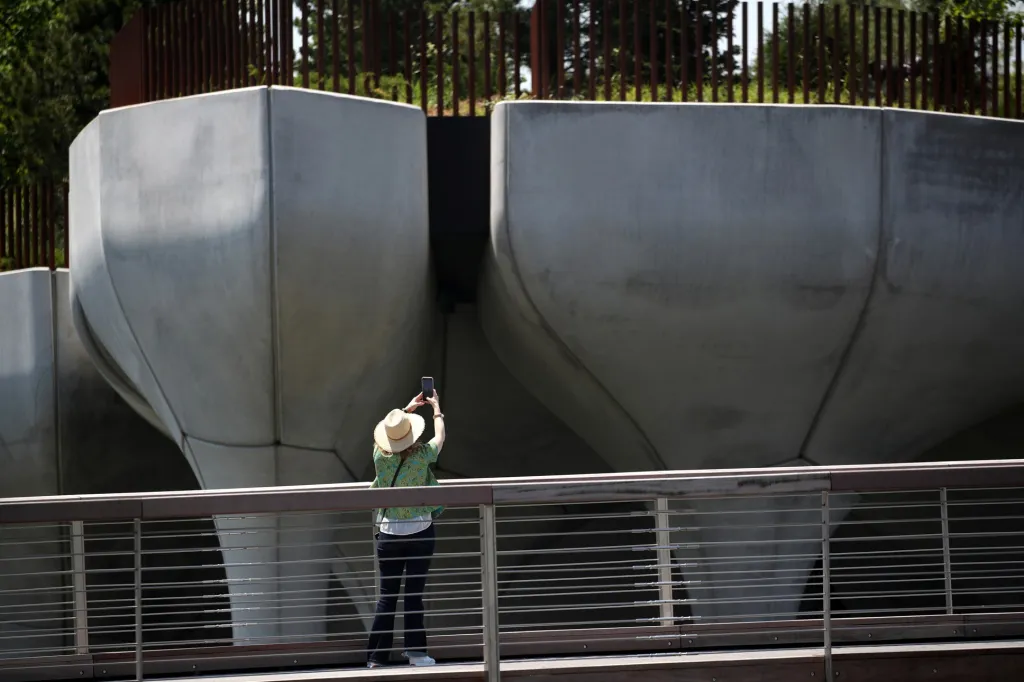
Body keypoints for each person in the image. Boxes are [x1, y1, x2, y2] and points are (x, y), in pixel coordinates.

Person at [365, 389, 446, 668]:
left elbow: (389, 433)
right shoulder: (422, 454)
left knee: (387, 598)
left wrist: (405, 410)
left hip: (388, 534)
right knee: (413, 595)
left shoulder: (379, 455)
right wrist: (435, 409)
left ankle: (376, 657)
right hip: (420, 532)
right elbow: (440, 438)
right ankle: (417, 653)